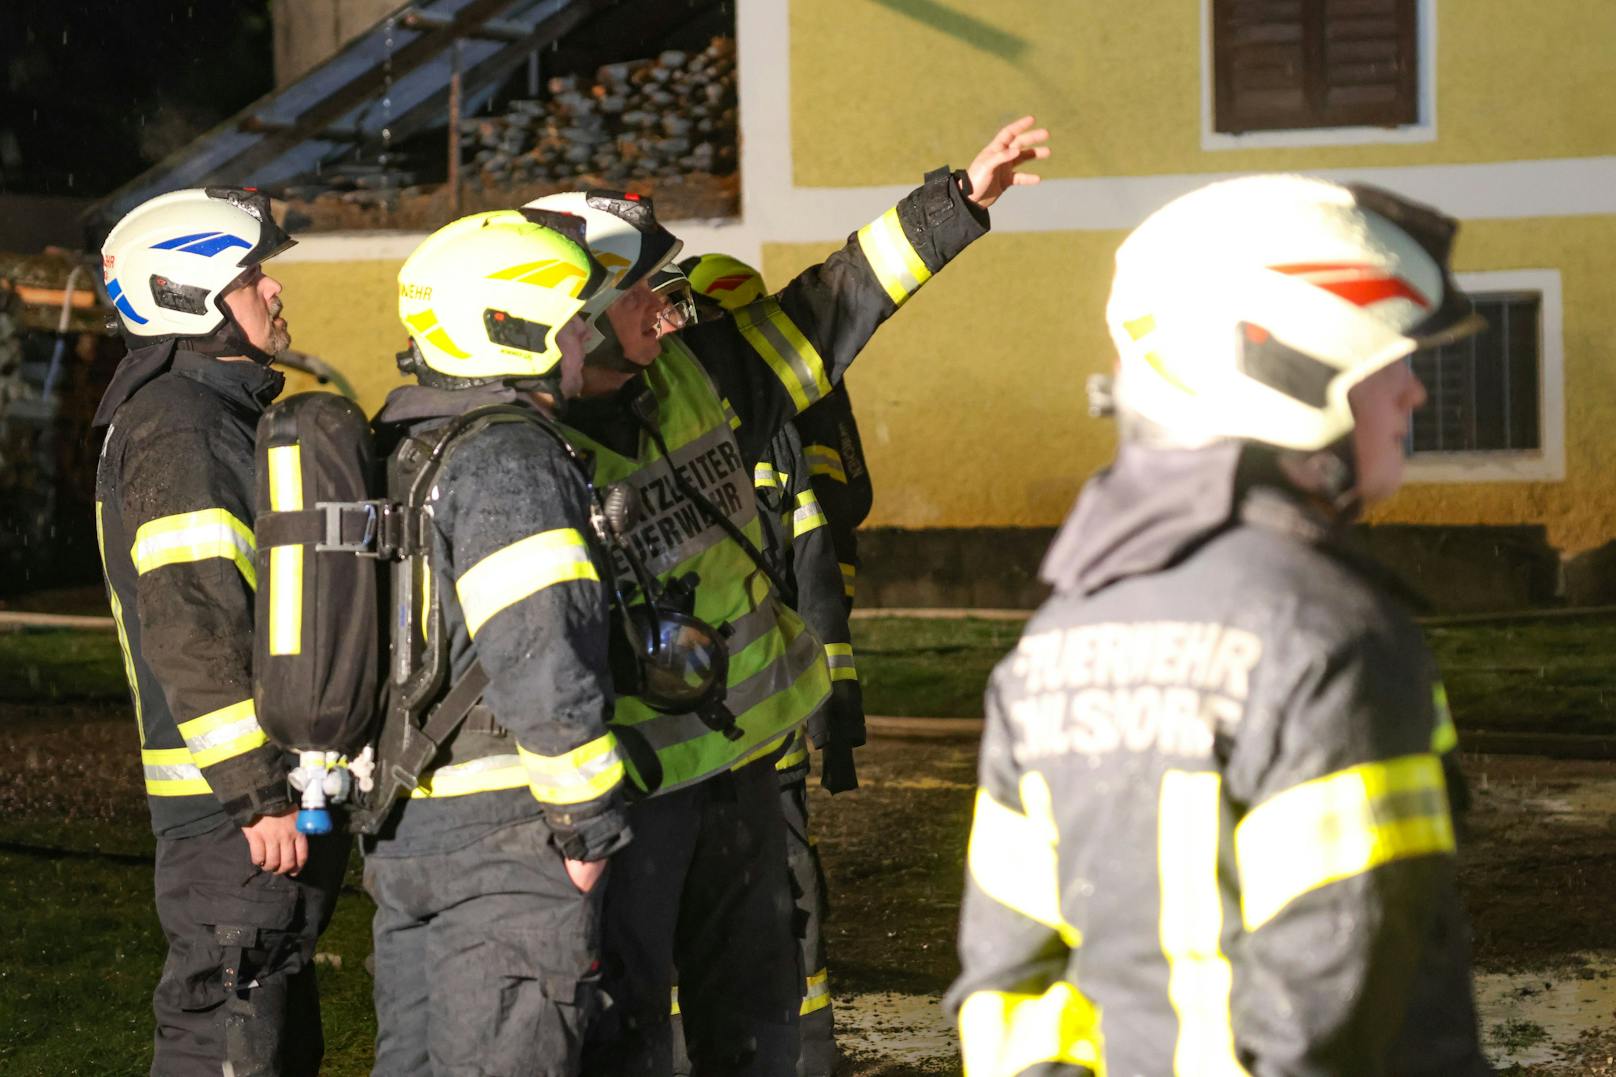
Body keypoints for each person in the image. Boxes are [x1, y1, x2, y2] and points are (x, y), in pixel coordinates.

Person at [533, 115, 1049, 1076]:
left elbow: (831, 303)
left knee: (760, 1016)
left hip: (742, 774)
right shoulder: (516, 452)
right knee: (631, 1025)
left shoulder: (703, 373)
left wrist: (960, 202)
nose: (663, 302)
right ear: (576, 309)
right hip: (633, 796)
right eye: (638, 285)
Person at [946, 175, 1492, 1075]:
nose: (1413, 398)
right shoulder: (1334, 642)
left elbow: (1008, 991)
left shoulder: (1050, 644)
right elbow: (1336, 1024)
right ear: (1290, 370)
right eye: (1392, 363)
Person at [363, 210, 630, 1075]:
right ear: (513, 330)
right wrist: (586, 835)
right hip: (508, 845)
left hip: (408, 830)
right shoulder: (510, 457)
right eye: (573, 319)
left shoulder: (404, 445)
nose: (587, 335)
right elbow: (541, 653)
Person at [92, 187, 348, 1076]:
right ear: (193, 296)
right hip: (230, 818)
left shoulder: (214, 414)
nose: (274, 290)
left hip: (241, 811)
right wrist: (257, 791)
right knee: (227, 1041)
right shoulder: (181, 427)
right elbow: (192, 621)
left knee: (267, 1036)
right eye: (251, 276)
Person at [657, 262, 863, 1077]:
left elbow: (815, 567)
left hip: (759, 726)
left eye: (682, 309)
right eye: (663, 308)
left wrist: (832, 711)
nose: (670, 322)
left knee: (782, 889)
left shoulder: (766, 427)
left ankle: (806, 1046)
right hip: (682, 741)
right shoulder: (637, 421)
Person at [683, 253, 874, 613]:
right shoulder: (710, 384)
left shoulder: (790, 380)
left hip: (817, 556)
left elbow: (844, 494)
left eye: (704, 315)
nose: (691, 331)